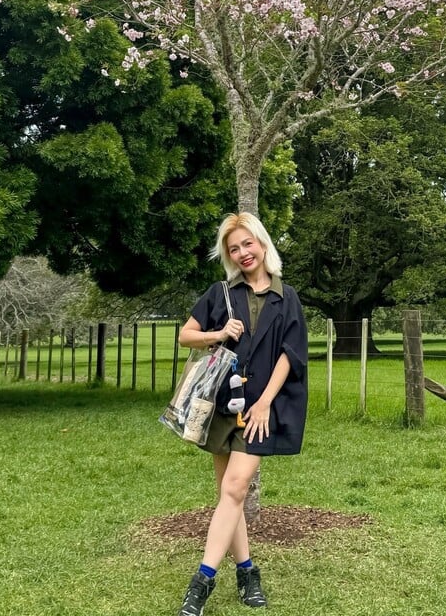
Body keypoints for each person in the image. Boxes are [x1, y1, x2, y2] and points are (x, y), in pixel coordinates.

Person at [176, 212, 309, 616]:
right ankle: (248, 571)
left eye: (247, 243)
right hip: (222, 406)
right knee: (228, 497)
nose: (242, 253)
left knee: (233, 490)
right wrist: (219, 333)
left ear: (262, 243)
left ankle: (201, 583)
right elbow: (185, 335)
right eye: (234, 248)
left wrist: (266, 401)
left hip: (260, 411)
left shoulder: (287, 298)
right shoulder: (221, 293)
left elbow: (291, 356)